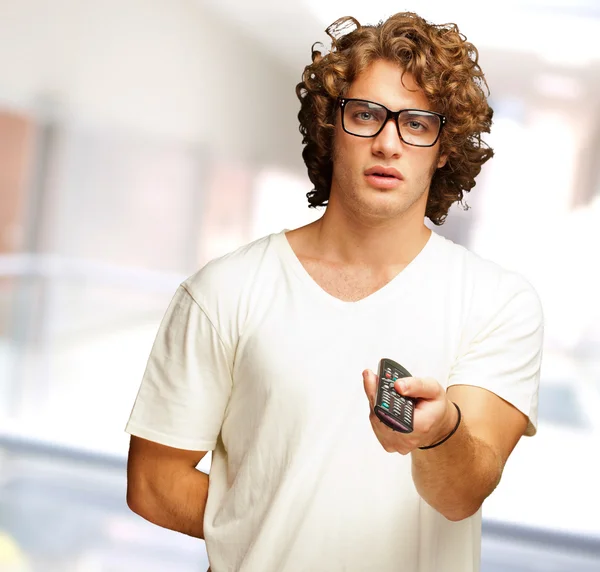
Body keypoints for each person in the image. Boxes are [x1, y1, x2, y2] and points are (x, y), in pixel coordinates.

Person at [125, 11, 543, 572]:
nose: (389, 143)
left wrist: (439, 433)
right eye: (367, 115)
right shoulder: (223, 290)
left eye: (417, 123)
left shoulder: (498, 302)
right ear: (331, 127)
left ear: (444, 148)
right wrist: (279, 529)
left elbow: (461, 493)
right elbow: (153, 484)